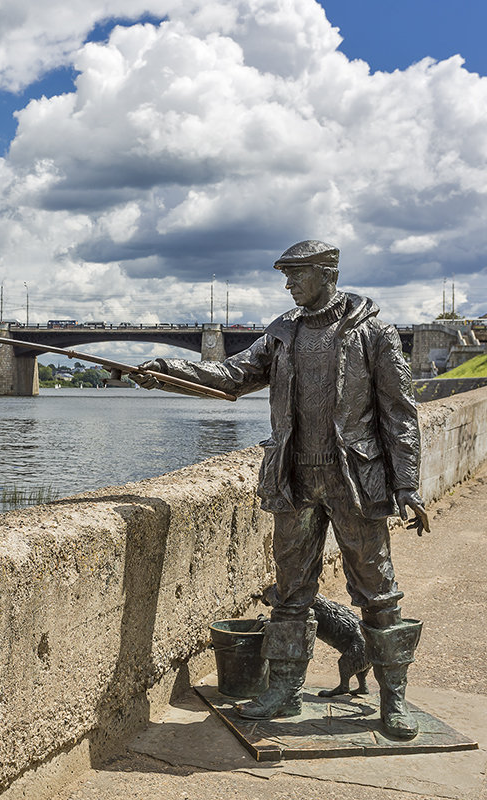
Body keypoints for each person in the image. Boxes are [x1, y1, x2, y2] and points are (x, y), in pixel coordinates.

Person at [133, 240, 430, 740]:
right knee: (290, 592)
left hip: (354, 480)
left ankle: (393, 698)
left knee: (379, 592)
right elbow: (231, 376)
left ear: (327, 272)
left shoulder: (373, 332)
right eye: (286, 275)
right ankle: (285, 689)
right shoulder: (282, 333)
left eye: (296, 274)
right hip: (295, 478)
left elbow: (400, 413)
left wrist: (408, 484)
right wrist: (169, 372)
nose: (287, 284)